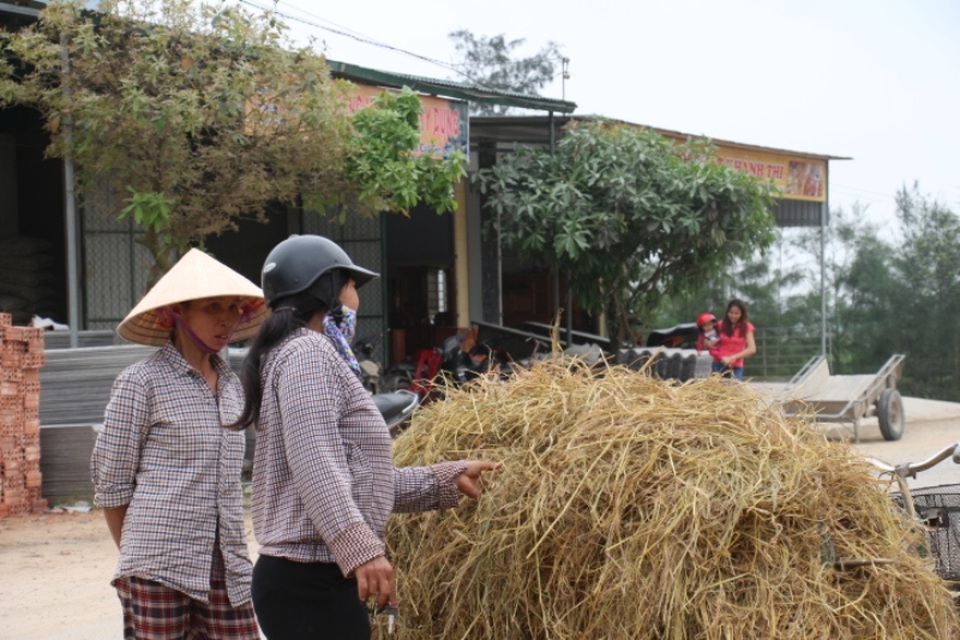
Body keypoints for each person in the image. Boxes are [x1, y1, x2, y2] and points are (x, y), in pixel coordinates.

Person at [229, 234, 499, 640]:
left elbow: (352, 478)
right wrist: (363, 550)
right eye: (352, 283)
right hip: (311, 580)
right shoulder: (308, 354)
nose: (357, 294)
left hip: (314, 576)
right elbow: (316, 464)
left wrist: (443, 479)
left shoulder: (304, 352)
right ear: (327, 288)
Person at [90, 248, 269, 639]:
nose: (227, 318)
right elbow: (112, 485)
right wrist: (143, 558)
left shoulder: (234, 387)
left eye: (234, 307)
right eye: (213, 307)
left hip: (228, 563)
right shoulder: (141, 383)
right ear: (176, 313)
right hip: (159, 566)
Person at [708, 299, 757, 380]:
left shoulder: (747, 327)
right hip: (719, 364)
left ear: (742, 314)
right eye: (731, 313)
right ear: (727, 312)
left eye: (736, 313)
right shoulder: (720, 325)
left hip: (736, 366)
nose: (733, 316)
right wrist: (709, 344)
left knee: (734, 388)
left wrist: (732, 358)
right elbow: (709, 343)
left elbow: (752, 349)